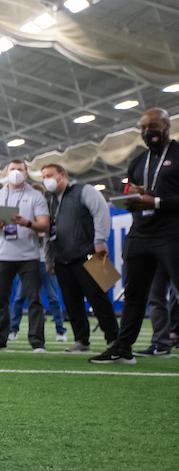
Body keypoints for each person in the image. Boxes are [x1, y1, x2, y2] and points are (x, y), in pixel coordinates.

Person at [92, 108, 179, 364]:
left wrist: (158, 202)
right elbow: (129, 193)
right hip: (140, 234)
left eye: (152, 126)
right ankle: (122, 348)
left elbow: (158, 199)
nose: (146, 132)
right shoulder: (138, 161)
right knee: (134, 295)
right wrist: (131, 198)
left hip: (172, 234)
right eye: (142, 127)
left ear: (166, 126)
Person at [36, 164, 118, 354]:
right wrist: (49, 259)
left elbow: (101, 212)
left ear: (62, 174)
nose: (46, 179)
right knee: (72, 303)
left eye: (50, 175)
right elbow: (49, 232)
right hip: (62, 259)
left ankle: (114, 338)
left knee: (99, 298)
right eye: (44, 176)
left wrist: (100, 241)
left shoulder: (84, 190)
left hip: (91, 254)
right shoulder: (50, 201)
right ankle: (81, 340)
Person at [0, 160, 50, 351]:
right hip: (2, 255)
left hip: (29, 256)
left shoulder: (35, 197)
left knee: (34, 299)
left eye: (20, 170)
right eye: (12, 169)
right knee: (1, 299)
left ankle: (37, 342)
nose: (16, 172)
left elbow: (44, 224)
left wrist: (27, 223)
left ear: (27, 174)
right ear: (6, 173)